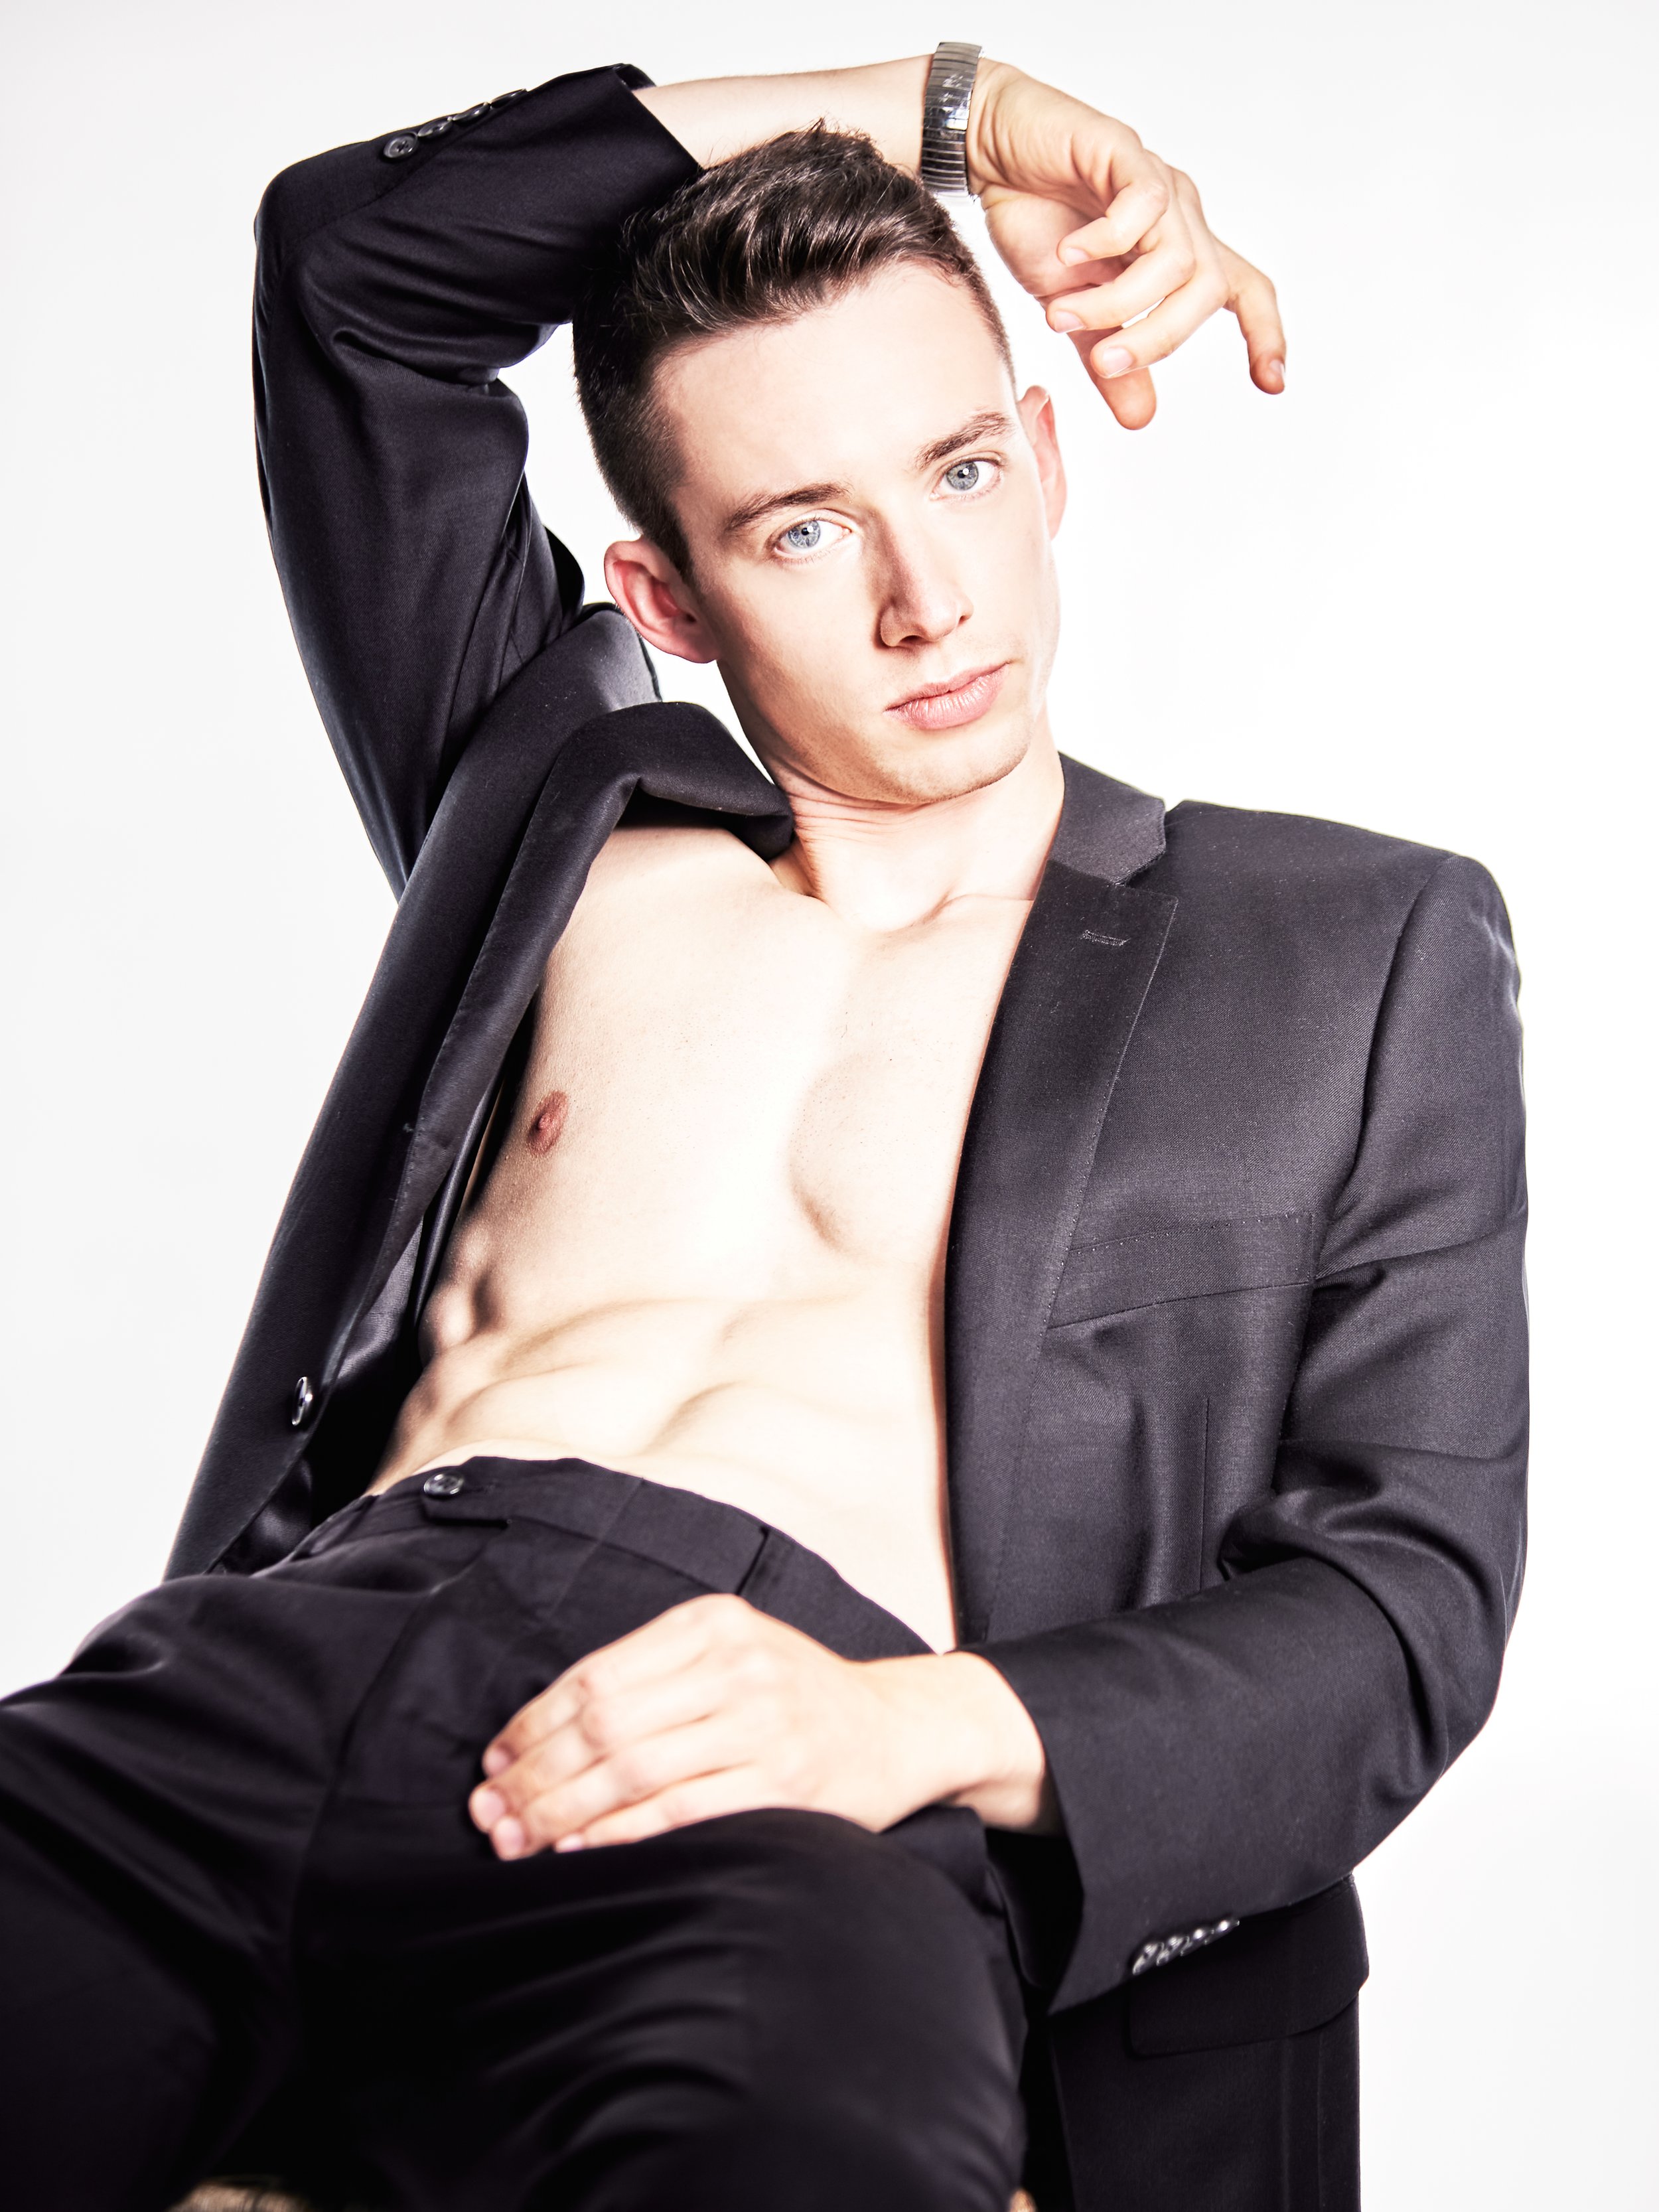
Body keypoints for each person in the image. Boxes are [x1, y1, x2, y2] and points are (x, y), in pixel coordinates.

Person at [0, 45, 1527, 2212]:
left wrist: (904, 1729)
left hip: (781, 1772)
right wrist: (955, 113)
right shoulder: (552, 807)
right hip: (249, 1695)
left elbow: (1403, 1605)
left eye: (962, 471)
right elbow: (353, 271)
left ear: (1042, 462)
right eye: (805, 529)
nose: (927, 603)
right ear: (669, 602)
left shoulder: (1342, 943)